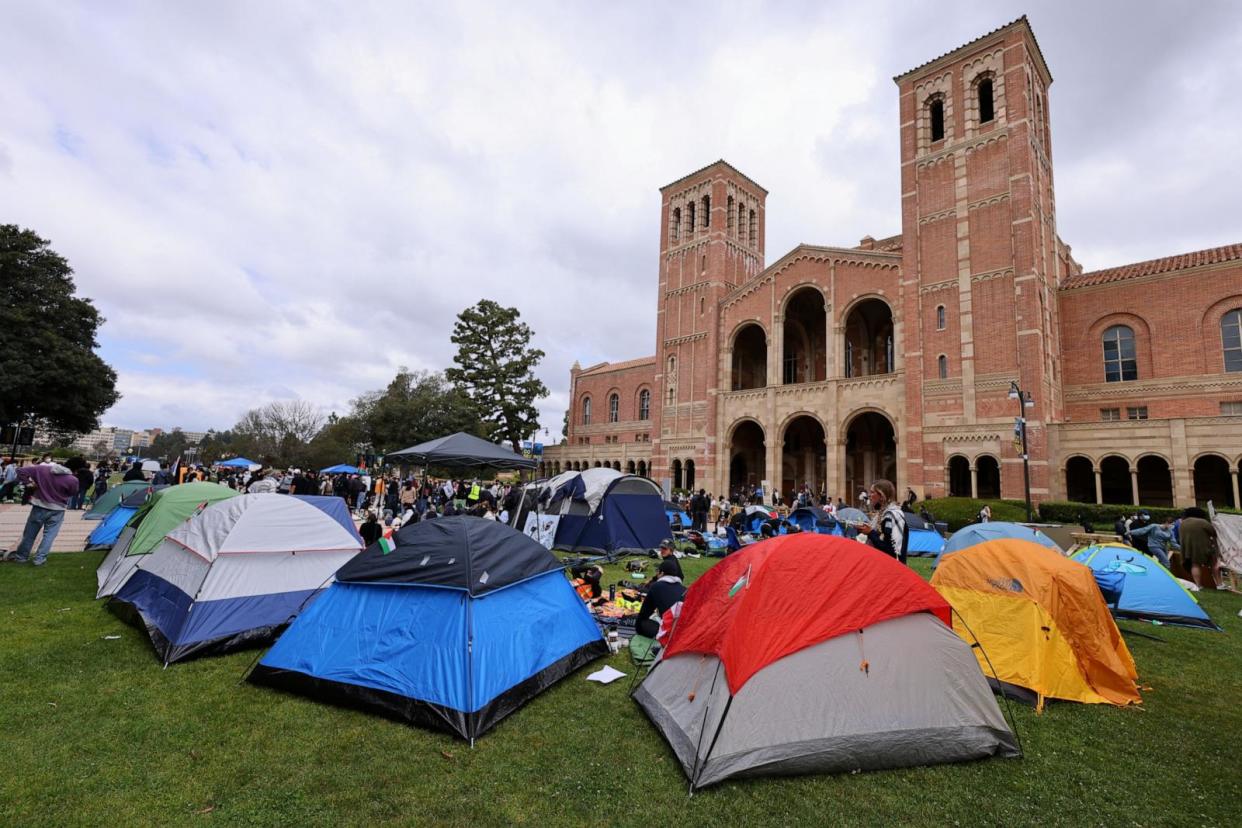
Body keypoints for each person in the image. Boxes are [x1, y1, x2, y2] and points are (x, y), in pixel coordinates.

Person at [3, 461, 79, 566]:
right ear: (75, 470)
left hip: (39, 506)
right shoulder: (73, 480)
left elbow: (20, 470)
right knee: (49, 535)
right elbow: (73, 492)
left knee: (29, 534)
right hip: (57, 509)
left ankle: (21, 557)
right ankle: (39, 559)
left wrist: (29, 484)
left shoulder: (42, 469)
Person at [856, 479, 908, 564]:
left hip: (892, 567)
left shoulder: (892, 516)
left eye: (872, 492)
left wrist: (870, 532)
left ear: (881, 496)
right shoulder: (882, 513)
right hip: (880, 563)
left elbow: (891, 550)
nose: (869, 495)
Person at [636, 559, 686, 639]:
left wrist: (639, 628)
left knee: (643, 623)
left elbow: (645, 612)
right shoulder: (684, 589)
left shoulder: (657, 586)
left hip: (670, 632)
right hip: (687, 631)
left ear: (661, 573)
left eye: (657, 571)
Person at [1179, 507, 1219, 590]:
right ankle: (1219, 584)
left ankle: (1198, 585)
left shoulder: (1183, 523)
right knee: (1214, 564)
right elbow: (1214, 532)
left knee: (1195, 565)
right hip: (1203, 547)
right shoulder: (1202, 522)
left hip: (1188, 549)